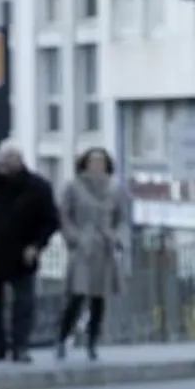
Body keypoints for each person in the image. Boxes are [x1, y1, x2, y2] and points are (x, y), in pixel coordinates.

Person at [0, 142, 61, 363]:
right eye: (2, 162)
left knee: (23, 302)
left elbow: (51, 221)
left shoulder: (38, 187)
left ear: (19, 161)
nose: (5, 166)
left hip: (24, 253)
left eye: (9, 161)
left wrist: (37, 245)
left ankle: (21, 346)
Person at [56, 146, 128, 361]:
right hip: (83, 248)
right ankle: (62, 337)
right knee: (76, 296)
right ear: (85, 163)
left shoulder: (115, 189)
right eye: (93, 161)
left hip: (104, 250)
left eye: (102, 162)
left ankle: (92, 341)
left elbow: (122, 218)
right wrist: (74, 238)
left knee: (99, 300)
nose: (97, 165)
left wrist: (116, 237)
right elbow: (64, 215)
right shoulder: (73, 186)